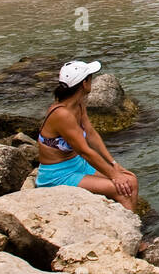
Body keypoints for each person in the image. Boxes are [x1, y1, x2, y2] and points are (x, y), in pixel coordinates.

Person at [35, 60, 138, 210]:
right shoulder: (62, 114)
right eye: (90, 77)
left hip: (77, 165)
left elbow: (90, 133)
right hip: (58, 175)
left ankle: (132, 222)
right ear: (84, 84)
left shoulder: (78, 103)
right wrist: (114, 175)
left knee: (131, 180)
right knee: (123, 190)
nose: (92, 80)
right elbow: (85, 151)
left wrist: (114, 164)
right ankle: (129, 230)